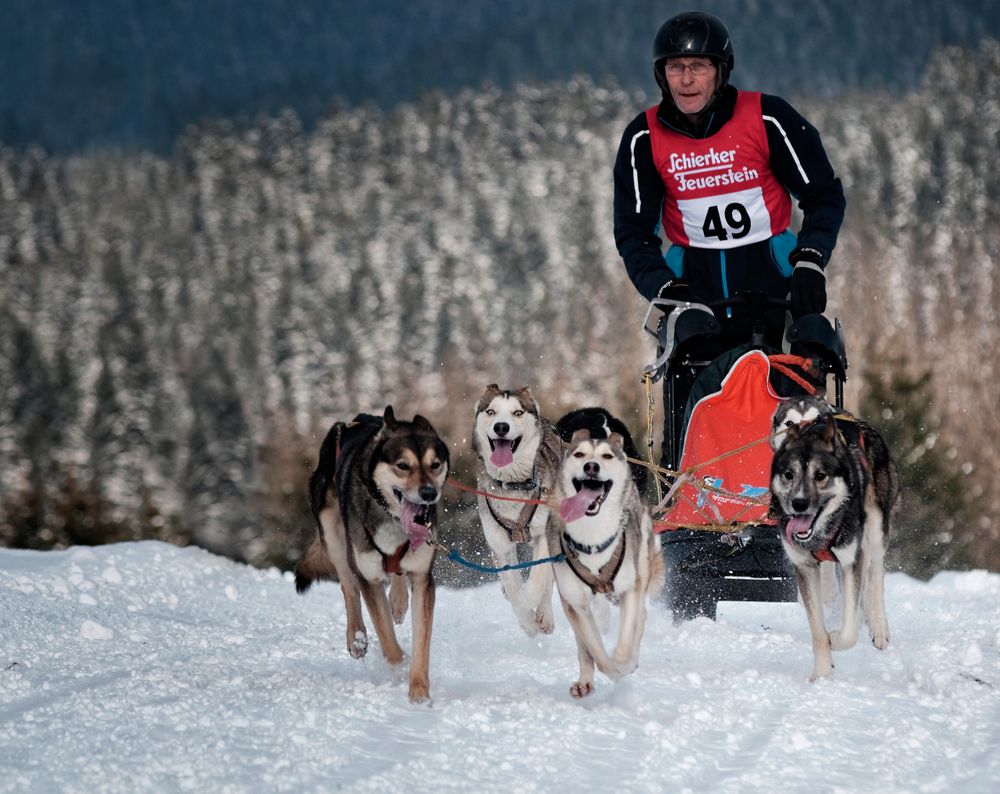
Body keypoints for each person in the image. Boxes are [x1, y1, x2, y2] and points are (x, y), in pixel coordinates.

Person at [612, 10, 846, 465]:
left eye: (698, 66)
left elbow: (823, 195)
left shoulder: (768, 118)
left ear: (720, 72)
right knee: (694, 405)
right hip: (695, 295)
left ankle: (797, 495)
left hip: (772, 283)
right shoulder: (644, 137)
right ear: (661, 75)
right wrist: (665, 291)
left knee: (784, 402)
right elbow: (633, 232)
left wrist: (810, 259)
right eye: (675, 68)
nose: (686, 79)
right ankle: (688, 500)